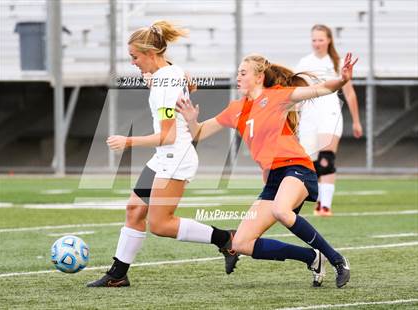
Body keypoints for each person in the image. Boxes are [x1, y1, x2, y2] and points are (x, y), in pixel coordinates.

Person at [176, 52, 358, 288]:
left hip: (298, 168)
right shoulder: (236, 108)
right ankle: (313, 258)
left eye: (243, 73)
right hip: (274, 178)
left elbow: (321, 88)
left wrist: (343, 80)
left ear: (259, 76)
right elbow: (199, 133)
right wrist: (191, 120)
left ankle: (337, 260)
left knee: (282, 210)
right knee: (241, 243)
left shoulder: (277, 97)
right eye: (238, 73)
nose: (238, 77)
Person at [87, 20, 234, 288]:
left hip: (175, 157)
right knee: (134, 209)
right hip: (164, 157)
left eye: (135, 57)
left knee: (161, 225)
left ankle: (226, 240)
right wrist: (159, 82)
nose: (132, 63)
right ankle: (118, 275)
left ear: (150, 54)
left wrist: (127, 141)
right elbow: (191, 85)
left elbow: (168, 135)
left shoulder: (166, 80)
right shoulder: (169, 71)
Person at [296, 24, 363, 217]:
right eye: (314, 40)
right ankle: (306, 200)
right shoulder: (304, 63)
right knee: (311, 162)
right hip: (309, 115)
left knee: (326, 159)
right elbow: (297, 93)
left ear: (329, 40)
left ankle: (324, 206)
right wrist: (294, 115)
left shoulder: (338, 63)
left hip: (330, 113)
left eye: (321, 39)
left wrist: (356, 121)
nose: (317, 43)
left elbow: (349, 94)